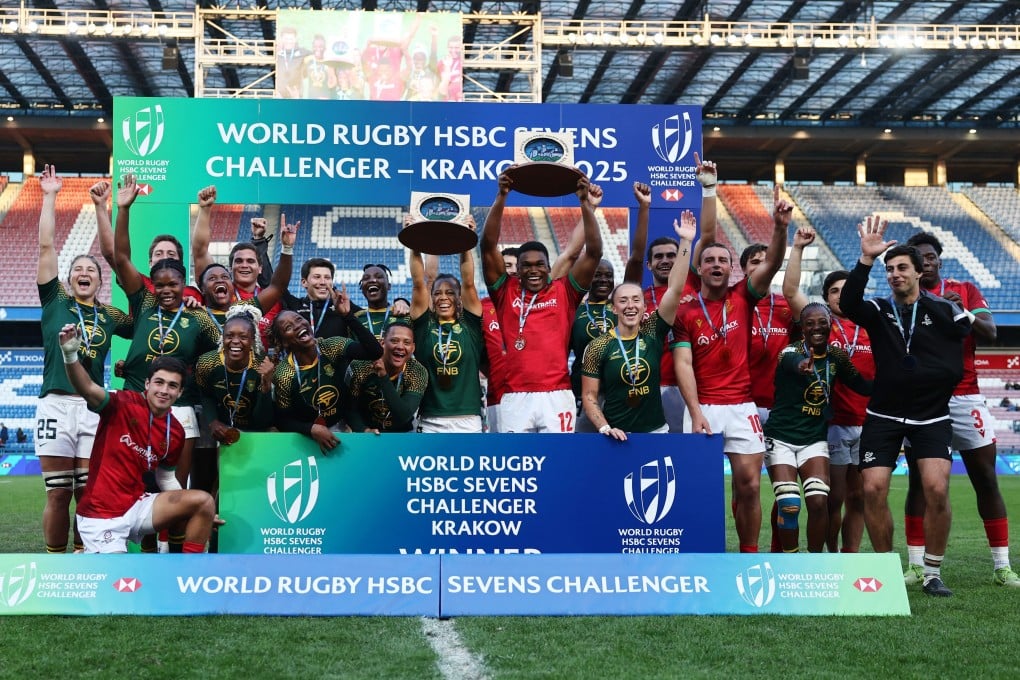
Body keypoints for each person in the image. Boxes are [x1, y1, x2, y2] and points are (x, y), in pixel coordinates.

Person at [840, 216, 971, 597]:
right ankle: (886, 569)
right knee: (874, 489)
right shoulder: (879, 311)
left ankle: (932, 571)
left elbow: (955, 361)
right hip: (883, 415)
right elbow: (848, 302)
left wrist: (932, 387)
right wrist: (867, 260)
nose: (895, 274)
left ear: (918, 273)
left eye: (902, 268)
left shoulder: (943, 311)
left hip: (931, 417)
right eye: (890, 269)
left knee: (936, 489)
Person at [673, 185, 790, 553]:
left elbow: (770, 264)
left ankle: (748, 555)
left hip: (742, 407)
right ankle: (701, 555)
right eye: (709, 261)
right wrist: (694, 413)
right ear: (700, 268)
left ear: (730, 267)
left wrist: (780, 228)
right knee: (697, 488)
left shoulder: (743, 297)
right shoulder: (686, 312)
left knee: (750, 485)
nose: (716, 265)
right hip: (703, 407)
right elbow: (683, 364)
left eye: (722, 260)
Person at [900, 231, 1018, 587]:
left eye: (932, 255)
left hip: (966, 397)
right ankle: (917, 565)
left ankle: (1001, 565)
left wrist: (960, 311)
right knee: (919, 484)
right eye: (920, 257)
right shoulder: (905, 297)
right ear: (915, 267)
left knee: (985, 479)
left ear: (938, 259)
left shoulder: (964, 289)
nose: (928, 261)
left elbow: (990, 332)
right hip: (922, 400)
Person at [35, 166, 134, 554]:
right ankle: (55, 561)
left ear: (99, 280)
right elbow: (46, 249)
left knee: (88, 491)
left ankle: (82, 555)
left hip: (94, 407)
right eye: (77, 270)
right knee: (59, 493)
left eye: (90, 270)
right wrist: (49, 196)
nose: (83, 273)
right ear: (68, 279)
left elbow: (144, 326)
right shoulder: (57, 302)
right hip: (55, 404)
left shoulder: (110, 315)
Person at [59, 325, 219, 554]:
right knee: (120, 581)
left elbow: (166, 478)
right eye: (159, 382)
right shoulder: (121, 403)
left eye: (172, 385)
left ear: (180, 392)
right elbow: (86, 387)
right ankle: (86, 559)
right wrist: (70, 354)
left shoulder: (175, 431)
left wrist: (190, 508)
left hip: (137, 506)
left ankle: (186, 575)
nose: (164, 390)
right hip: (100, 515)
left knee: (203, 502)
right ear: (147, 384)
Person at [114, 174, 222, 490]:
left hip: (182, 403)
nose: (166, 290)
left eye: (173, 284)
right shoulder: (145, 301)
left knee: (175, 481)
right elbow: (120, 258)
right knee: (136, 480)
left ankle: (171, 541)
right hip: (136, 398)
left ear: (183, 282)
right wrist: (124, 210)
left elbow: (222, 353)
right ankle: (144, 538)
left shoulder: (196, 313)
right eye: (159, 283)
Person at [480, 171, 603, 433]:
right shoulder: (505, 292)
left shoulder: (565, 291)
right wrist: (502, 196)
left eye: (539, 265)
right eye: (526, 265)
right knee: (517, 467)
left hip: (557, 395)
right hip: (514, 397)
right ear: (517, 269)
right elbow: (488, 245)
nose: (533, 270)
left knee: (560, 466)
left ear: (549, 267)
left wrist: (585, 204)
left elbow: (594, 252)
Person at [784, 227, 874, 553]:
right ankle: (830, 556)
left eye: (847, 290)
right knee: (832, 497)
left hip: (868, 423)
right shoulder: (819, 325)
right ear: (825, 297)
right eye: (834, 291)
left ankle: (849, 558)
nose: (840, 295)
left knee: (859, 497)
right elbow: (791, 290)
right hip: (831, 425)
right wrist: (797, 248)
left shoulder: (872, 325)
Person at [762, 302, 871, 553]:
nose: (817, 327)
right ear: (802, 328)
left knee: (819, 502)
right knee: (789, 503)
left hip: (814, 439)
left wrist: (892, 380)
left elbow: (861, 385)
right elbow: (791, 362)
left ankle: (813, 562)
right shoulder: (789, 352)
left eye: (822, 321)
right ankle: (791, 561)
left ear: (830, 323)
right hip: (781, 439)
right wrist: (802, 365)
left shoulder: (837, 356)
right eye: (810, 323)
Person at [581, 211, 696, 439]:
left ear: (645, 307)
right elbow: (589, 396)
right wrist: (605, 428)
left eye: (636, 300)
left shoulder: (652, 331)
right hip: (616, 435)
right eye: (623, 301)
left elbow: (675, 288)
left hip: (657, 432)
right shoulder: (597, 346)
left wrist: (686, 241)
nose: (630, 306)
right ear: (614, 308)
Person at [624, 154, 717, 433]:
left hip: (688, 387)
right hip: (647, 385)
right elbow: (635, 256)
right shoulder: (637, 296)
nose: (666, 260)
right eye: (659, 257)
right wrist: (644, 208)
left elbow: (708, 235)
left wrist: (709, 189)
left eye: (672, 256)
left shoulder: (691, 282)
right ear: (650, 264)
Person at [271, 300, 383, 454]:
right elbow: (283, 420)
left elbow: (375, 352)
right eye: (288, 328)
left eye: (298, 319)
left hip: (342, 428)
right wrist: (311, 429)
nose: (297, 325)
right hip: (305, 438)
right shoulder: (284, 374)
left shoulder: (331, 347)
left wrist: (347, 316)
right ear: (284, 342)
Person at [408, 222, 484, 432]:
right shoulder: (424, 326)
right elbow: (418, 283)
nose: (443, 297)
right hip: (431, 418)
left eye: (450, 292)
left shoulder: (470, 325)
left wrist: (467, 240)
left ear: (460, 298)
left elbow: (468, 282)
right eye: (438, 293)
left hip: (468, 419)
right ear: (431, 299)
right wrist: (414, 243)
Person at [346, 321, 429, 433]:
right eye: (394, 341)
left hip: (402, 435)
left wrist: (383, 376)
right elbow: (350, 410)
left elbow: (404, 416)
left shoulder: (417, 371)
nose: (400, 347)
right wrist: (364, 431)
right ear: (382, 343)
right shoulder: (360, 365)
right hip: (367, 436)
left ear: (413, 348)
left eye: (407, 342)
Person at [480, 247, 517, 433]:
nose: (513, 270)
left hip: (533, 396)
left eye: (517, 265)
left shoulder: (539, 304)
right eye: (507, 265)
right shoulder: (483, 308)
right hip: (499, 399)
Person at [354, 264, 411, 342]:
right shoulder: (355, 319)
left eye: (379, 277)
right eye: (366, 278)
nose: (372, 280)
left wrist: (403, 301)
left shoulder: (404, 315)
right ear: (362, 288)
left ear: (389, 286)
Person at [276, 26, 309, 99]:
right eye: (286, 39)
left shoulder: (303, 52)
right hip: (279, 96)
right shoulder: (276, 53)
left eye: (291, 39)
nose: (288, 41)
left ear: (295, 39)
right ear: (281, 39)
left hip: (296, 95)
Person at [303, 34, 337, 99]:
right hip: (311, 99)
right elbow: (302, 77)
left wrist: (330, 70)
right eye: (315, 46)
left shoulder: (329, 62)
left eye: (321, 46)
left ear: (325, 48)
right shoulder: (307, 60)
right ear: (312, 47)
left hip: (325, 99)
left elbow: (333, 84)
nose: (318, 49)